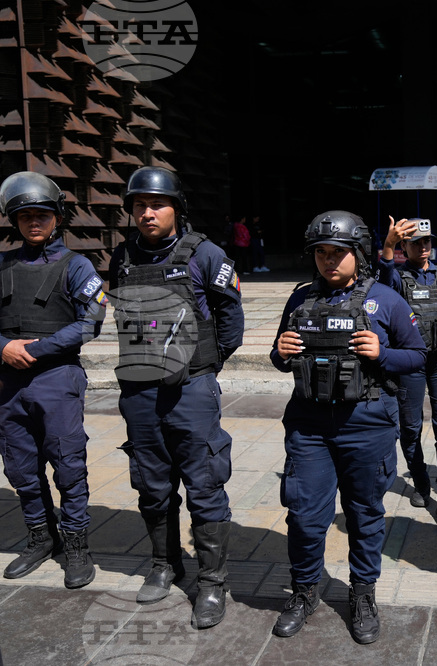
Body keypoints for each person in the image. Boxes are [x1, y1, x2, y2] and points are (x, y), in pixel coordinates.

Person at [269, 211, 425, 643]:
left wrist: (382, 354)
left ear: (357, 253)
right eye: (320, 252)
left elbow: (417, 357)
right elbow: (280, 357)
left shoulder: (386, 300)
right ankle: (304, 591)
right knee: (303, 514)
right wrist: (279, 353)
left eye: (338, 253)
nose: (328, 261)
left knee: (365, 513)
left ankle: (362, 592)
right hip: (308, 426)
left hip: (367, 425)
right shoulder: (299, 300)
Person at [109, 166, 244, 629]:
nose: (147, 213)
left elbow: (230, 322)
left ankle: (212, 581)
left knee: (205, 484)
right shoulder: (122, 256)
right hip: (139, 391)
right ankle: (166, 564)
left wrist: (205, 367)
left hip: (191, 390)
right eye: (139, 205)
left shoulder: (205, 255)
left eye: (156, 204)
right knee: (151, 484)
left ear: (176, 209)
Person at [0, 172, 106, 589]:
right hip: (8, 382)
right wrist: (3, 348)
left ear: (57, 217)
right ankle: (41, 537)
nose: (33, 223)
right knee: (21, 467)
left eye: (42, 214)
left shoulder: (76, 266)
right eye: (25, 216)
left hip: (57, 378)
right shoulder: (3, 265)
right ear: (15, 221)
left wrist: (33, 349)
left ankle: (77, 544)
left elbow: (89, 324)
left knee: (67, 465)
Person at [377, 215, 437, 523]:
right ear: (405, 246)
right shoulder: (398, 278)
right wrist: (387, 247)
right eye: (416, 243)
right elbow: (383, 279)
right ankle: (421, 481)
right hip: (410, 363)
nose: (424, 247)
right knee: (411, 428)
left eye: (427, 242)